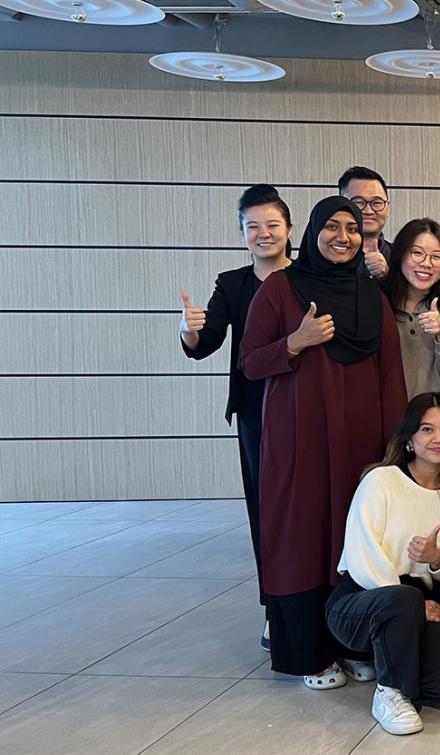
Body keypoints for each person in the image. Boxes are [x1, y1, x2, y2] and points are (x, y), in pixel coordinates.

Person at [241, 196, 407, 688]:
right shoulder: (279, 289)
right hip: (299, 443)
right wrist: (297, 341)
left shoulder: (371, 298)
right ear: (311, 232)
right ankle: (308, 654)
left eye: (352, 228)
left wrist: (392, 454)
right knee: (302, 537)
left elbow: (390, 378)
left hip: (359, 446)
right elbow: (250, 363)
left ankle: (351, 642)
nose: (343, 237)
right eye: (331, 226)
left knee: (352, 537)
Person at [179, 184, 292, 637]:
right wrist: (189, 331)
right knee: (265, 510)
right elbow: (205, 343)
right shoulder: (232, 284)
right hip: (255, 412)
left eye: (272, 224)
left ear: (289, 229)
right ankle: (273, 609)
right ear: (242, 233)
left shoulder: (308, 277)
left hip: (305, 408)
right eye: (253, 227)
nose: (264, 234)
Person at [325, 392, 440, 735]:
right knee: (403, 599)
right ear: (409, 439)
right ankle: (389, 692)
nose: (438, 438)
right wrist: (414, 604)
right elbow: (361, 556)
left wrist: (437, 560)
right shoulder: (381, 480)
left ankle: (390, 659)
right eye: (426, 429)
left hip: (419, 603)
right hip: (360, 599)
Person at [382, 219, 440, 401]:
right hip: (389, 412)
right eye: (417, 253)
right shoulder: (380, 303)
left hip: (439, 413)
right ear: (400, 254)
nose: (426, 263)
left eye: (436, 257)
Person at [339, 166, 392, 279]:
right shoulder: (326, 255)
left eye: (377, 203)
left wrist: (388, 275)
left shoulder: (403, 256)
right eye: (358, 202)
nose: (368, 211)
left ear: (387, 208)